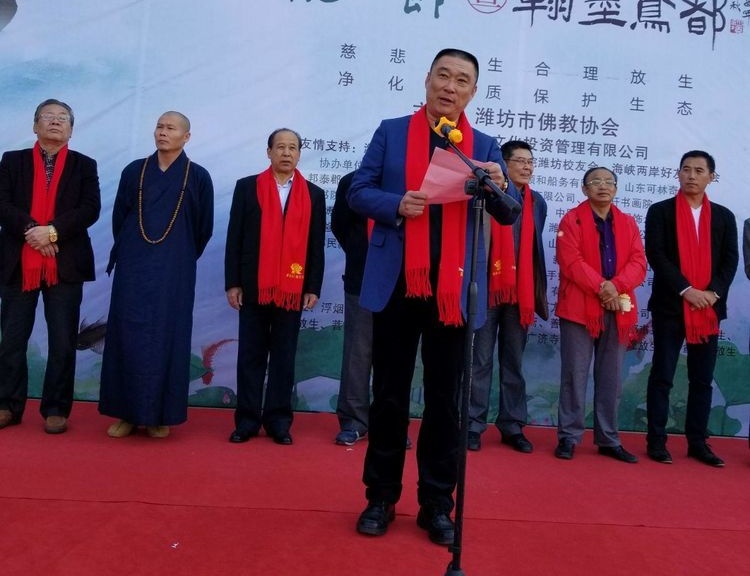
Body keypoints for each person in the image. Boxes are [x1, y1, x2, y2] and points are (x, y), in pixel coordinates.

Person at [347, 48, 519, 546]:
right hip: (398, 284)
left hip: (454, 291)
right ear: (426, 80)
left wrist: (499, 183)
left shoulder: (483, 146)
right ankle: (380, 497)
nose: (450, 86)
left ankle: (437, 504)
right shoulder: (391, 132)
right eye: (443, 75)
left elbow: (508, 212)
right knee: (389, 396)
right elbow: (357, 191)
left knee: (445, 402)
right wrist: (396, 203)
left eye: (462, 80)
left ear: (473, 92)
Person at [99, 111, 214, 439]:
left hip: (175, 269)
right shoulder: (134, 170)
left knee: (168, 336)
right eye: (159, 127)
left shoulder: (198, 176)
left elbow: (202, 228)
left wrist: (179, 255)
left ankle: (159, 415)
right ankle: (126, 414)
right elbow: (120, 218)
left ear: (186, 137)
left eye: (170, 128)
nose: (162, 132)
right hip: (133, 265)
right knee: (127, 333)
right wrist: (133, 250)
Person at [0, 99, 101, 434]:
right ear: (35, 126)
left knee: (62, 340)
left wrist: (53, 231)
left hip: (65, 263)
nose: (55, 122)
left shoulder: (84, 165)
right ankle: (7, 405)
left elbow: (90, 208)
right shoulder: (11, 161)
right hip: (18, 263)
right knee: (12, 339)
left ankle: (56, 409)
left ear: (71, 129)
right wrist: (33, 231)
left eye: (62, 118)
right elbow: (2, 203)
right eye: (48, 116)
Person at [225, 128, 325, 446]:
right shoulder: (247, 188)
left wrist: (312, 286)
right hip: (254, 285)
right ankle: (247, 421)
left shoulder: (314, 194)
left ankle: (279, 422)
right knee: (250, 356)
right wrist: (233, 283)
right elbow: (235, 238)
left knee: (284, 357)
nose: (286, 153)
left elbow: (316, 245)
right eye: (280, 147)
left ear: (299, 154)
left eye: (292, 147)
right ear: (268, 152)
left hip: (293, 289)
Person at [645, 150, 738, 467]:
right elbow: (657, 255)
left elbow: (730, 260)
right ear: (678, 174)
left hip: (708, 309)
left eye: (699, 170)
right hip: (671, 306)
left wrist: (712, 293)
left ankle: (698, 442)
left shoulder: (723, 216)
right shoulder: (661, 211)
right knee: (663, 375)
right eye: (686, 169)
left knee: (702, 379)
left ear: (711, 176)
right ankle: (656, 441)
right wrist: (687, 290)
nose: (691, 175)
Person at [554, 167, 646, 462]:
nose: (603, 186)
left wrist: (615, 286)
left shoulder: (628, 222)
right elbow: (570, 261)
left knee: (611, 376)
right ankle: (569, 437)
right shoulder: (572, 219)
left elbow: (639, 263)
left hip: (618, 307)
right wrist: (602, 288)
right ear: (585, 189)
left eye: (609, 182)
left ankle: (608, 438)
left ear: (616, 189)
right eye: (596, 181)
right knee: (574, 374)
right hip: (579, 308)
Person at [468, 140, 548, 453]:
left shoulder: (537, 202)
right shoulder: (486, 194)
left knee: (513, 361)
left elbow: (534, 248)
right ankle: (472, 424)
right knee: (480, 360)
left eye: (531, 162)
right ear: (503, 164)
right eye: (520, 161)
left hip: (520, 294)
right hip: (487, 288)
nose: (527, 167)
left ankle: (512, 425)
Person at [331, 170, 372, 446]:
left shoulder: (412, 181)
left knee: (396, 357)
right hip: (361, 278)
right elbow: (340, 226)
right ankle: (354, 420)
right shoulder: (353, 181)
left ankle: (390, 421)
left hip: (402, 283)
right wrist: (360, 251)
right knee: (357, 352)